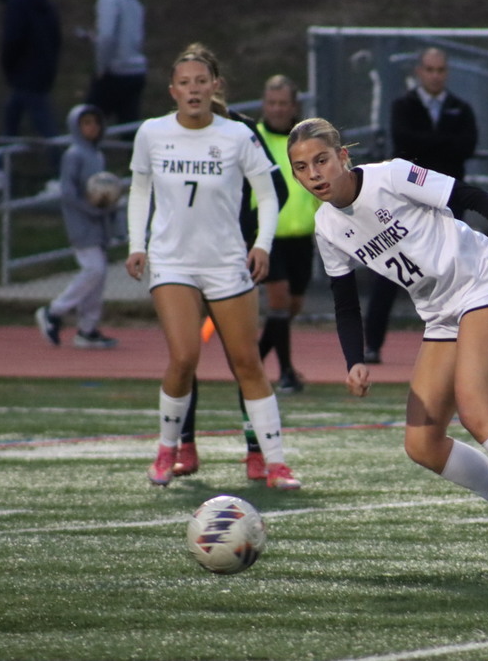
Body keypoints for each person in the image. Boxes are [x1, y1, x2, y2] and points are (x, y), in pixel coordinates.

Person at [287, 117, 488, 578]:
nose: (315, 174)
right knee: (422, 443)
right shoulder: (327, 226)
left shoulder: (391, 176)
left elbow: (473, 198)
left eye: (322, 160)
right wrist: (355, 360)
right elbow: (345, 301)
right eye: (302, 168)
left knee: (476, 409)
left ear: (344, 157)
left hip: (483, 281)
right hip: (440, 312)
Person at [125, 43, 300, 490]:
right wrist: (137, 244)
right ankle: (168, 450)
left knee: (247, 363)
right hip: (172, 261)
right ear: (173, 90)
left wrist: (260, 244)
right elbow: (140, 190)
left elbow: (267, 193)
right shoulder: (151, 133)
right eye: (185, 83)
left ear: (216, 86)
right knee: (184, 355)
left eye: (201, 81)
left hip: (226, 261)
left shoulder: (238, 135)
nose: (194, 89)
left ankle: (275, 463)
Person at [364, 47, 478, 364]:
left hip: (448, 202)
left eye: (441, 70)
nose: (435, 75)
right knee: (390, 268)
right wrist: (441, 145)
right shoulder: (404, 105)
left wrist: (428, 145)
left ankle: (460, 340)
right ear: (419, 71)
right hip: (408, 205)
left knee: (453, 271)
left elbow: (466, 146)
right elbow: (404, 142)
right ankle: (371, 343)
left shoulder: (460, 108)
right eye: (429, 69)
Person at [253, 75, 321, 391]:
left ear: (294, 106)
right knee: (278, 302)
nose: (277, 109)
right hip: (267, 237)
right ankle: (286, 373)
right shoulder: (252, 139)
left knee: (291, 307)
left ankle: (251, 363)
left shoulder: (306, 139)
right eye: (272, 103)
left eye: (283, 103)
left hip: (301, 237)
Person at [34, 104, 119, 350]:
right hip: (82, 224)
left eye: (95, 123)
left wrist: (108, 207)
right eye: (86, 123)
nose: (92, 128)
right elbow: (69, 193)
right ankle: (53, 311)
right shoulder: (74, 155)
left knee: (99, 275)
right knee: (93, 270)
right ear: (76, 127)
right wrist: (93, 209)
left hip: (98, 223)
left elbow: (100, 189)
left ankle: (88, 329)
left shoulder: (97, 155)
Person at [0, 0, 61, 148]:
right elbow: (56, 38)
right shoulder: (44, 4)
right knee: (12, 118)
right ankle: (0, 163)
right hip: (41, 72)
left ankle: (60, 163)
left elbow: (12, 39)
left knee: (43, 124)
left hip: (24, 74)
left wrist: (8, 65)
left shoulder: (17, 4)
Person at [87, 0, 147, 127]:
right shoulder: (134, 1)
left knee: (88, 120)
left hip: (115, 71)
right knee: (128, 122)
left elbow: (106, 37)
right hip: (136, 70)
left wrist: (101, 67)